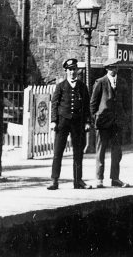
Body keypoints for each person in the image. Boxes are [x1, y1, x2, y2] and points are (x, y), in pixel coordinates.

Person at [48, 58, 92, 190]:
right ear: (66, 71)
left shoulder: (82, 87)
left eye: (74, 69)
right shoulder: (60, 86)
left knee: (78, 152)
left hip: (77, 123)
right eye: (69, 70)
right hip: (62, 122)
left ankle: (78, 181)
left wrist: (87, 122)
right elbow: (54, 104)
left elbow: (86, 106)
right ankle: (54, 180)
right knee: (58, 151)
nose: (72, 72)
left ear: (77, 71)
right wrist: (54, 121)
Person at [90, 57, 130, 188]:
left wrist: (124, 117)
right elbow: (93, 104)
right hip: (103, 122)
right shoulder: (100, 82)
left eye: (116, 67)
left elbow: (127, 103)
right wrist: (96, 118)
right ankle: (99, 179)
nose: (115, 70)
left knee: (117, 151)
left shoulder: (123, 82)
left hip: (117, 122)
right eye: (112, 67)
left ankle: (115, 179)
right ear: (107, 68)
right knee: (101, 151)